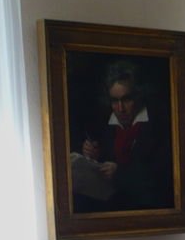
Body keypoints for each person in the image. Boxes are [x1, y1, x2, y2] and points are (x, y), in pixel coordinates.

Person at [74, 60, 174, 212]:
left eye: (127, 99)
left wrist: (120, 174)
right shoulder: (104, 125)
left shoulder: (159, 125)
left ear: (138, 95)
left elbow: (160, 177)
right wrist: (94, 155)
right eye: (114, 101)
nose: (120, 108)